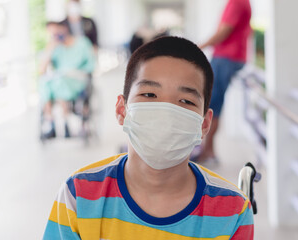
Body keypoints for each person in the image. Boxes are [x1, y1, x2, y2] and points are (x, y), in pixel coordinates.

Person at [43, 36, 254, 239]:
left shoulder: (233, 211)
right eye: (150, 95)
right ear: (122, 110)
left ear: (204, 123)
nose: (166, 111)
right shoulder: (79, 196)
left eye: (186, 101)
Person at [197, 0, 252, 164]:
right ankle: (209, 151)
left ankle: (207, 152)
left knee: (211, 105)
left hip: (226, 58)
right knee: (213, 105)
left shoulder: (237, 2)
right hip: (230, 58)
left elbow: (224, 31)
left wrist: (200, 46)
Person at [39, 21, 95, 139]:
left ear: (64, 29)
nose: (55, 35)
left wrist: (75, 72)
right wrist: (50, 49)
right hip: (59, 80)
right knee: (44, 82)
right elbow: (42, 70)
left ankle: (65, 120)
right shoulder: (56, 47)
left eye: (56, 32)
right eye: (52, 34)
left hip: (78, 79)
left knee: (59, 82)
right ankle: (51, 121)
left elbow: (91, 65)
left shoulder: (82, 43)